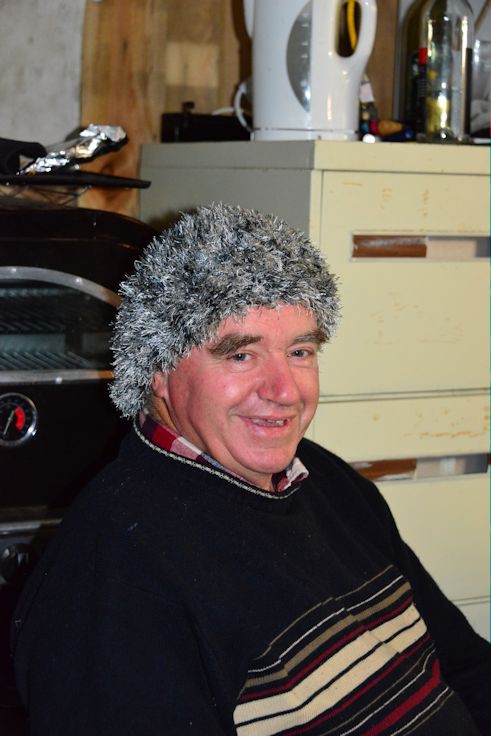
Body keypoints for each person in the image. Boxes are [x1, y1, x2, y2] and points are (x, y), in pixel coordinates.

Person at [11, 204, 490, 735]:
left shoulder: (324, 480)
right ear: (157, 369)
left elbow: (466, 665)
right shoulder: (111, 578)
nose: (285, 392)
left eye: (300, 352)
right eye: (241, 355)